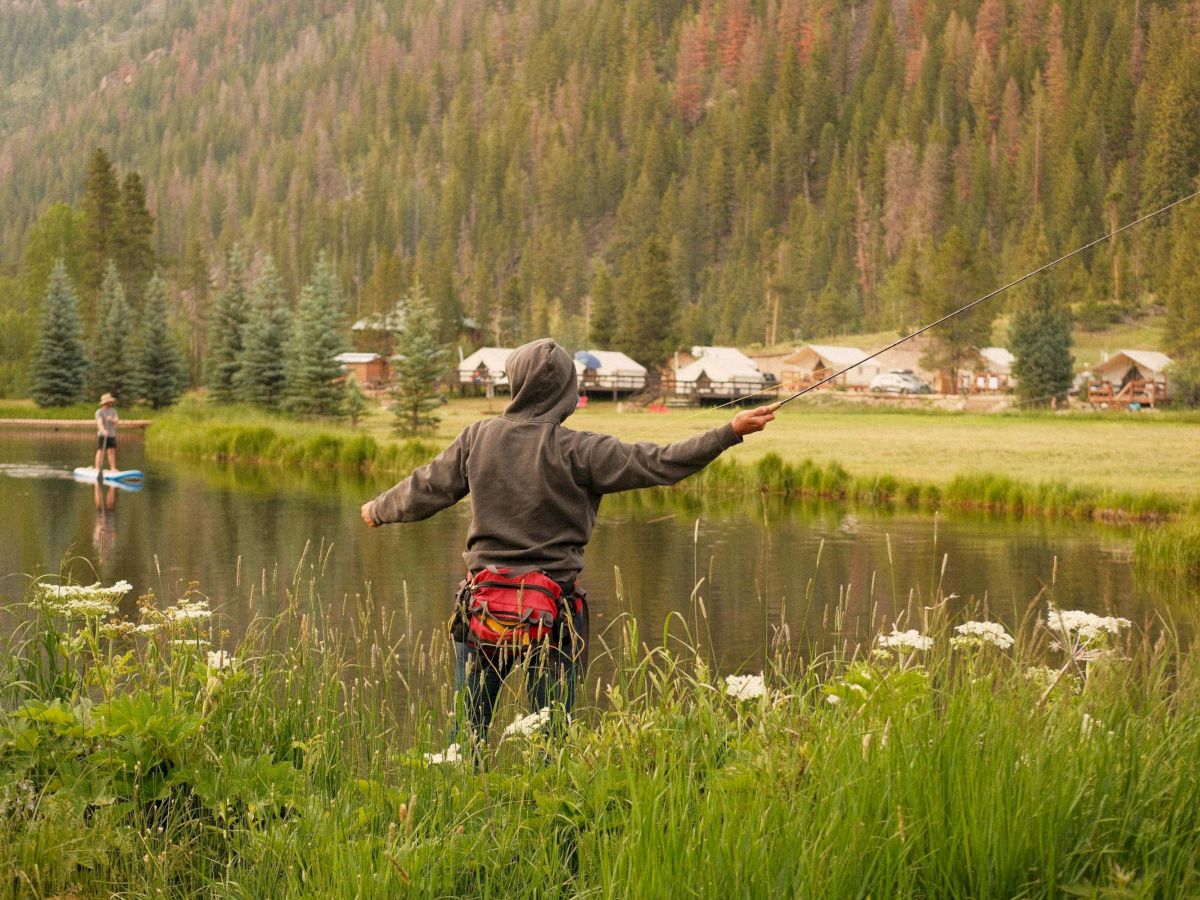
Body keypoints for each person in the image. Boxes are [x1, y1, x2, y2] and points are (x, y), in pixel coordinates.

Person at [360, 339, 776, 753]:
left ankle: (461, 807)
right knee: (551, 742)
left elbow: (427, 487)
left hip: (483, 610)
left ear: (516, 384)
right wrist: (730, 432)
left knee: (466, 736)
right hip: (555, 613)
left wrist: (379, 508)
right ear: (567, 393)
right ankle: (550, 814)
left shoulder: (478, 437)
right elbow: (662, 463)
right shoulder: (584, 451)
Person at [94, 393, 118, 477]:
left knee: (111, 451)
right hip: (103, 435)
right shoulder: (99, 412)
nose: (110, 403)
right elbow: (99, 422)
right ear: (105, 403)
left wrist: (112, 419)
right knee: (100, 451)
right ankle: (97, 467)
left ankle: (113, 468)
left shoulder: (113, 411)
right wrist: (103, 430)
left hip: (111, 434)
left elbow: (116, 420)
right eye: (108, 402)